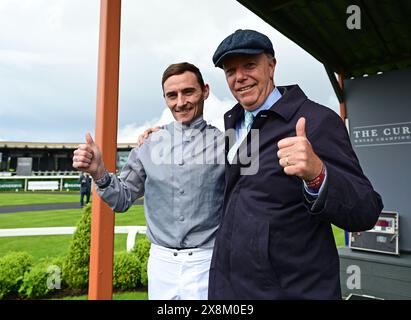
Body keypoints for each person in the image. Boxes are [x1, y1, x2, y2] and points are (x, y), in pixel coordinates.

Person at [207, 29, 384, 300]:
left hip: (292, 290)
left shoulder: (316, 120)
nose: (239, 77)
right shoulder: (234, 123)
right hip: (231, 288)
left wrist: (318, 175)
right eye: (230, 71)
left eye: (249, 65)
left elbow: (365, 211)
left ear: (272, 65)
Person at [72, 62, 225, 300]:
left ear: (205, 91)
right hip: (161, 265)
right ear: (164, 98)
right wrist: (98, 172)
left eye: (188, 92)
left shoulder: (227, 144)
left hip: (208, 261)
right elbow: (121, 199)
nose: (180, 102)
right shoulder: (149, 144)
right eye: (171, 95)